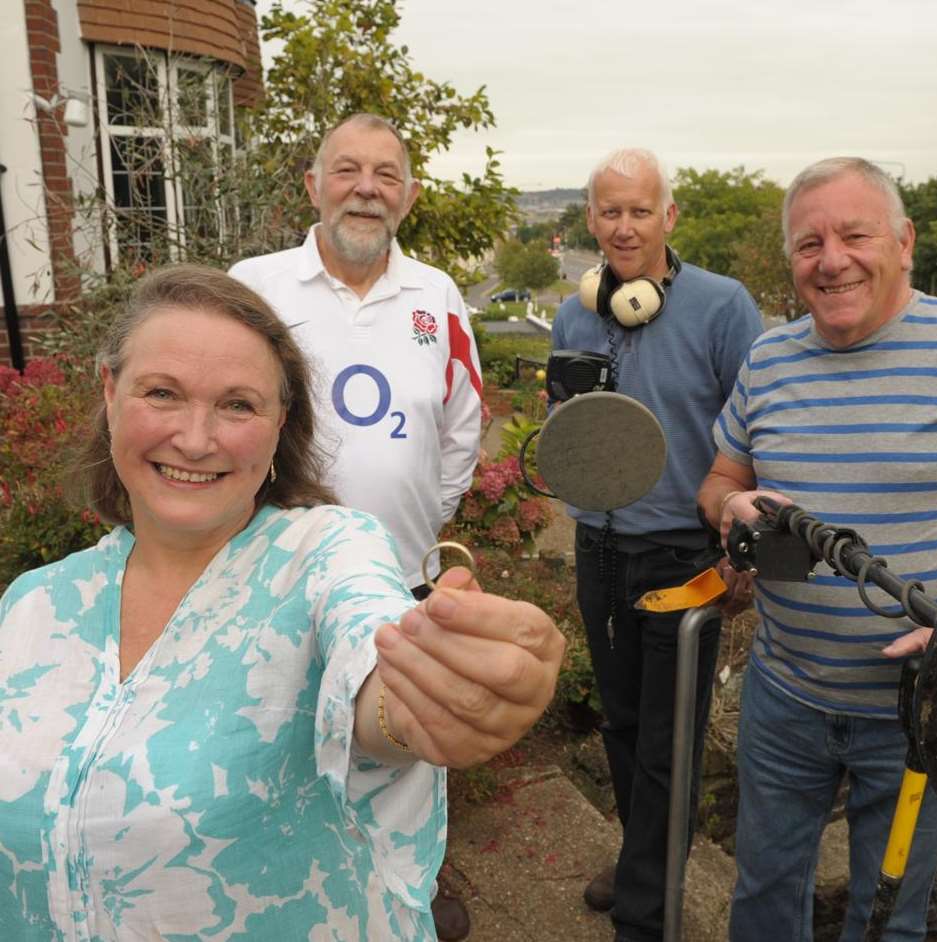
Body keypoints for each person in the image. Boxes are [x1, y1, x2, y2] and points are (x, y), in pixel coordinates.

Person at [0, 265, 564, 941]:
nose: (196, 437)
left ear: (279, 426)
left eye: (238, 404)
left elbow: (371, 660)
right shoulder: (32, 604)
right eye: (162, 393)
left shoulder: (326, 552)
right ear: (110, 392)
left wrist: (422, 693)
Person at [697, 157, 937, 942]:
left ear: (903, 241)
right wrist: (729, 503)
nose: (830, 260)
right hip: (784, 697)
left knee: (889, 914)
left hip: (925, 709)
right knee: (762, 900)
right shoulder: (767, 360)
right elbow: (719, 478)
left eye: (853, 234)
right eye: (808, 244)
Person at [229, 113, 483, 938]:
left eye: (384, 174)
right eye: (346, 170)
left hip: (401, 581)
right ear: (312, 185)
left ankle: (403, 893)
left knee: (402, 744)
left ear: (406, 195)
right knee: (281, 751)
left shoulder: (437, 295)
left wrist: (411, 524)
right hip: (273, 578)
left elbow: (461, 426)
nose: (365, 188)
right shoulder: (255, 284)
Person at [551, 148, 763, 942]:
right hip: (599, 545)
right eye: (610, 211)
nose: (624, 225)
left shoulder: (723, 305)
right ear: (591, 221)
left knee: (671, 736)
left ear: (668, 217)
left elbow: (760, 430)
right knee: (622, 722)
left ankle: (645, 914)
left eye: (640, 210)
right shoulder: (576, 313)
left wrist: (737, 551)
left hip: (683, 553)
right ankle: (644, 855)